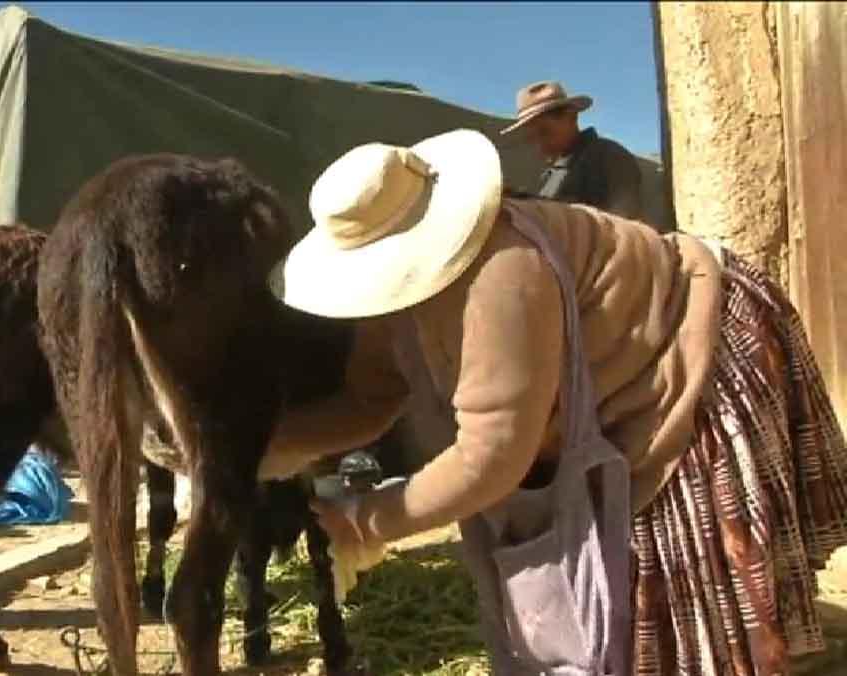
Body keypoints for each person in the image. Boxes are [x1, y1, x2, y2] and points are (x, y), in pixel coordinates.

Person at [259, 130, 847, 675]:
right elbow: (373, 393)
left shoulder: (503, 274)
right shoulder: (394, 304)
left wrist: (368, 519)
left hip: (681, 342)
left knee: (658, 590)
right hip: (600, 382)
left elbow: (492, 458)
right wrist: (263, 453)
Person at [502, 80, 644, 221]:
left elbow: (621, 229)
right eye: (532, 138)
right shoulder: (550, 175)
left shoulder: (610, 157)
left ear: (571, 116)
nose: (540, 144)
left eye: (544, 132)